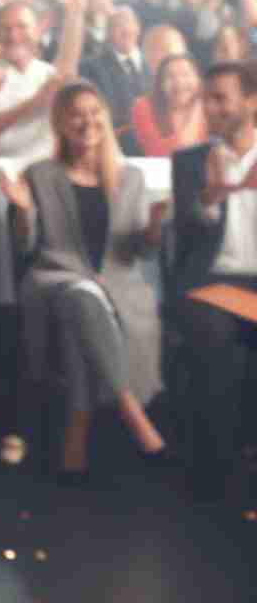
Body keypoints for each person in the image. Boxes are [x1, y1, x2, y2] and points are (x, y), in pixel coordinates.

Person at [0, 82, 167, 483]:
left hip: (116, 283)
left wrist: (155, 229)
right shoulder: (40, 175)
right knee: (78, 293)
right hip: (54, 274)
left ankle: (76, 434)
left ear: (106, 118)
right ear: (61, 123)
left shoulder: (132, 177)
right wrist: (22, 212)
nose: (87, 121)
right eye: (76, 113)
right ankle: (133, 414)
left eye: (95, 111)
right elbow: (26, 249)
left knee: (80, 312)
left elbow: (138, 253)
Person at [167, 60, 257, 502]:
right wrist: (209, 199)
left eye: (221, 97)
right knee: (215, 344)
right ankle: (217, 477)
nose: (212, 107)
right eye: (208, 98)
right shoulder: (190, 162)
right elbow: (185, 236)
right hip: (212, 284)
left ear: (251, 100)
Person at [0, 0, 83, 163]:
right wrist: (36, 102)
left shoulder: (48, 73)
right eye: (6, 29)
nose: (14, 36)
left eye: (22, 27)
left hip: (42, 171)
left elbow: (68, 62)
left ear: (38, 30)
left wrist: (75, 13)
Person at [78, 6, 145, 152]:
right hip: (113, 147)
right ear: (107, 34)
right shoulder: (90, 68)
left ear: (138, 27)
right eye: (117, 25)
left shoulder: (155, 63)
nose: (125, 29)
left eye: (128, 22)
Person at [128, 54, 206, 158]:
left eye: (186, 75)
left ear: (198, 79)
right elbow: (159, 153)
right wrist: (197, 111)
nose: (179, 82)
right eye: (170, 76)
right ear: (160, 84)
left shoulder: (211, 107)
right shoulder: (143, 107)